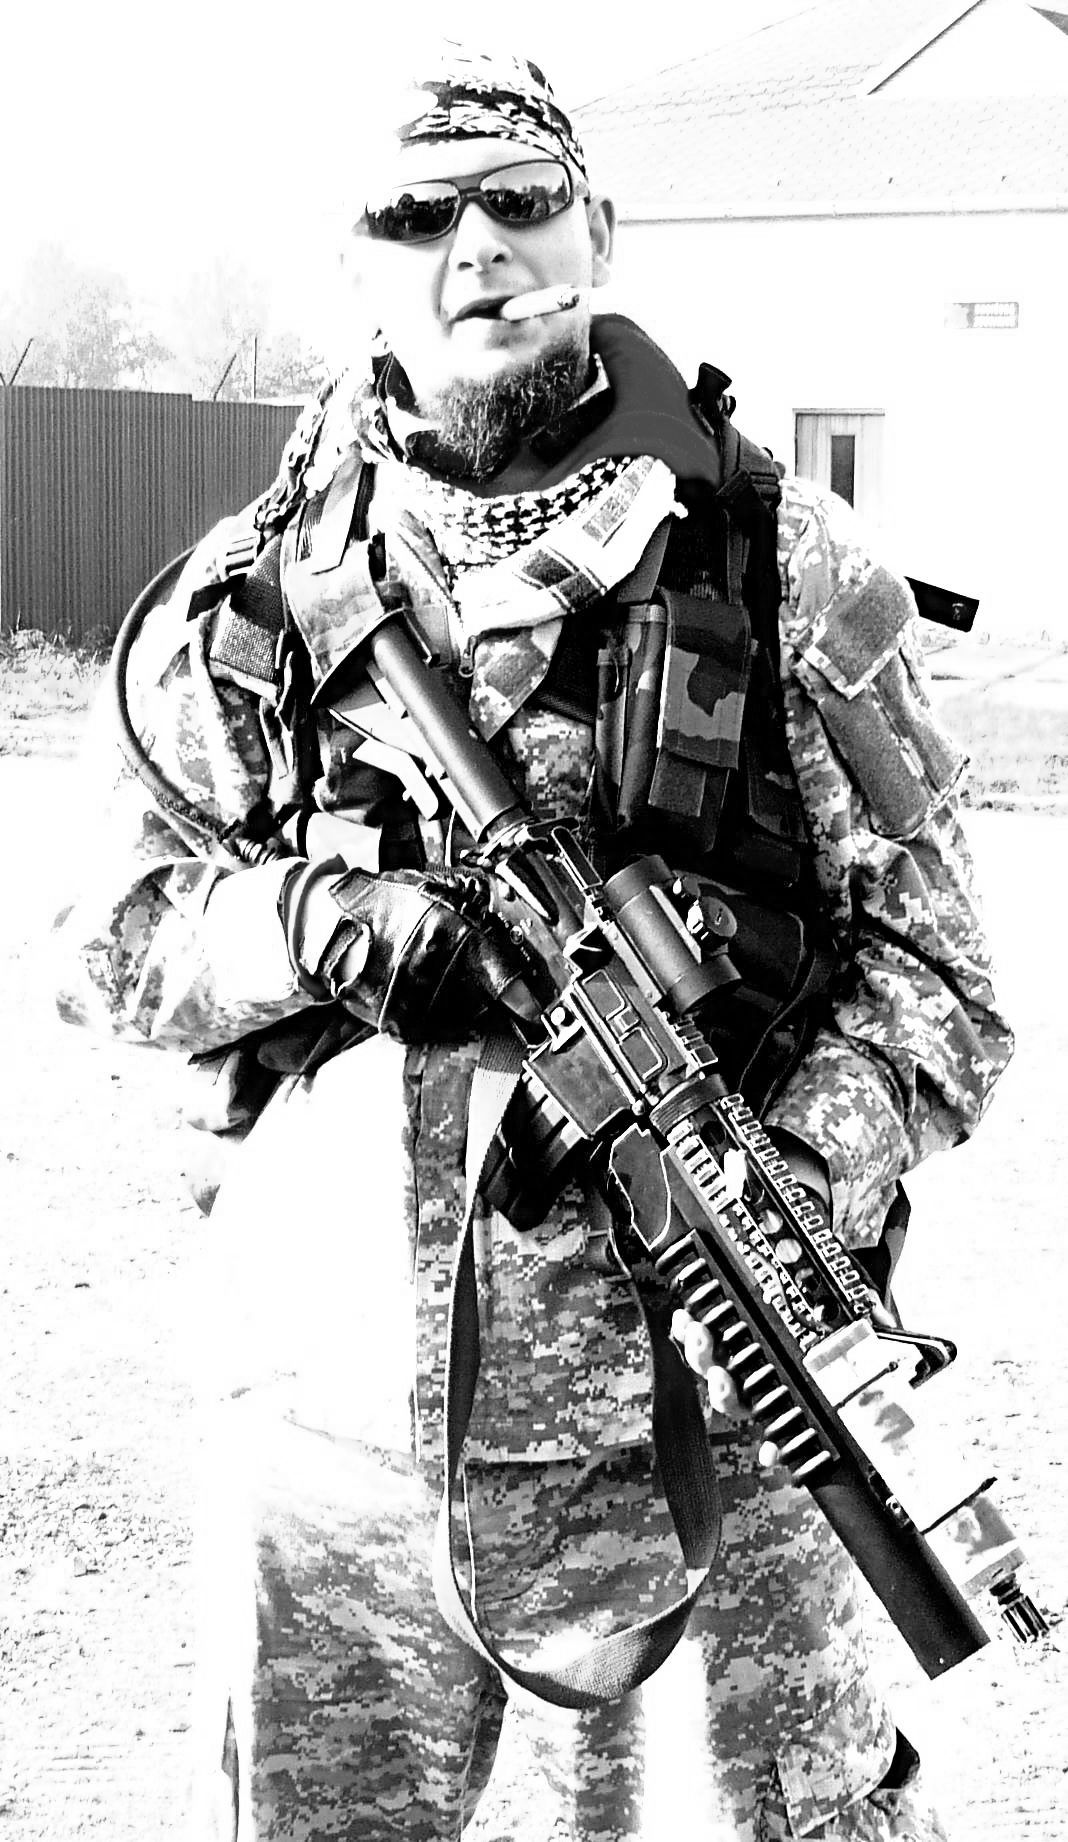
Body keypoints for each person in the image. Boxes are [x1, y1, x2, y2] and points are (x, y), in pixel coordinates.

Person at [54, 42, 1012, 1842]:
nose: (474, 246)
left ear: (599, 233)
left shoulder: (790, 565)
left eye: (519, 200)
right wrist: (310, 922)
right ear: (354, 265)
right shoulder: (250, 599)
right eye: (415, 216)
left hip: (714, 1428)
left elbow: (944, 991)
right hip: (336, 1453)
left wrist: (777, 1197)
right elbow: (102, 948)